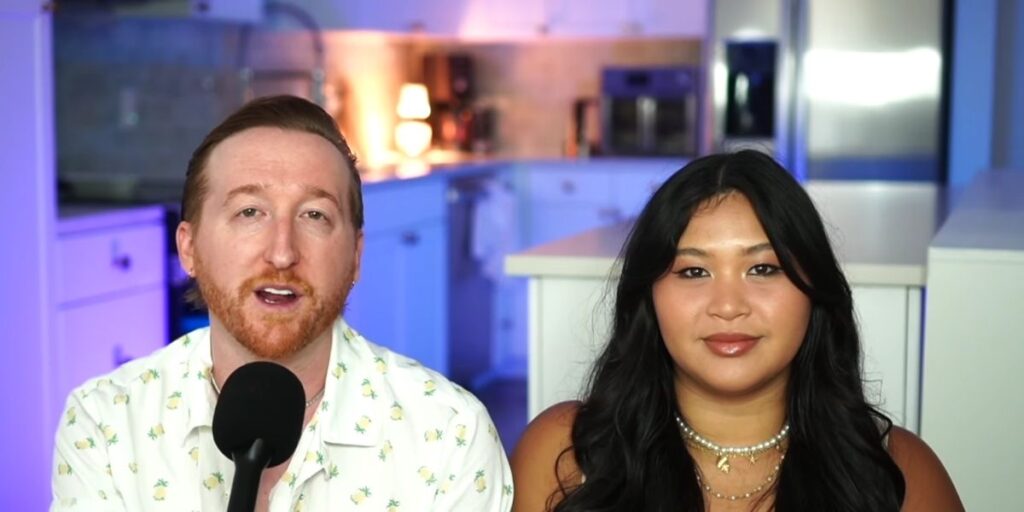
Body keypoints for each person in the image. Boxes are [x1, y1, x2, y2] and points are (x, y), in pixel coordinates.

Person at [51, 95, 513, 511]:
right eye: (250, 212)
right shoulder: (106, 423)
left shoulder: (449, 435)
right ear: (188, 248)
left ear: (355, 256)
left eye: (314, 215)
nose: (282, 252)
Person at [510, 151, 963, 511]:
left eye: (763, 268)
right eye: (693, 272)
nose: (728, 307)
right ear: (648, 297)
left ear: (814, 290)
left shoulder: (900, 471)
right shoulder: (564, 455)